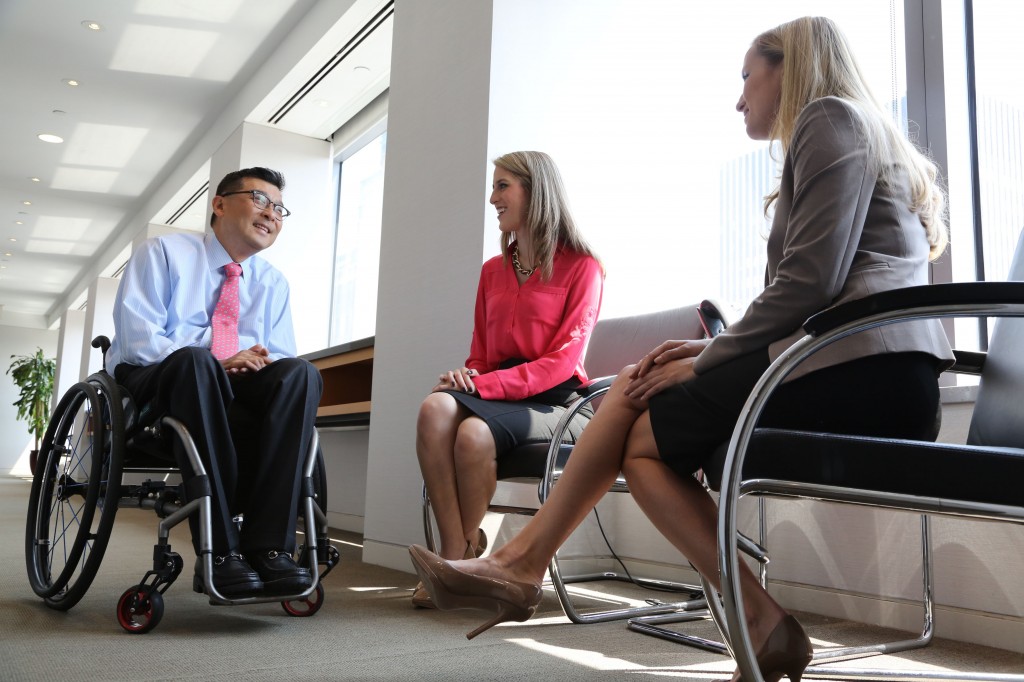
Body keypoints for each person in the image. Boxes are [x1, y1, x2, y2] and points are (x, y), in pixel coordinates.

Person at [409, 16, 954, 681]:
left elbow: (810, 282)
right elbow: (810, 284)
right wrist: (706, 356)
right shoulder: (849, 131)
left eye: (747, 77)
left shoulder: (830, 118)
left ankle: (520, 566)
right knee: (641, 443)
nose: (740, 98)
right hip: (854, 363)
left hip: (862, 368)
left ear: (789, 67)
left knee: (634, 387)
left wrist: (705, 357)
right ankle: (759, 621)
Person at [107, 167, 322, 598]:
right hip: (159, 380)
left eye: (279, 208)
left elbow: (278, 351)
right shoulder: (163, 252)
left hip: (233, 389)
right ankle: (220, 551)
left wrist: (251, 365)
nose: (271, 214)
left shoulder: (272, 283)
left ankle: (270, 548)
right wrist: (218, 355)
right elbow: (139, 338)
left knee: (300, 374)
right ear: (219, 203)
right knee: (195, 363)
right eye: (260, 200)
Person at [412, 151, 604, 608]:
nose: (492, 197)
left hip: (560, 403)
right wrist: (469, 375)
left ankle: (457, 567)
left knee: (474, 436)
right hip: (499, 393)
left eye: (503, 186)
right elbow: (481, 354)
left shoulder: (583, 267)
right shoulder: (491, 272)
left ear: (535, 191)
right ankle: (456, 554)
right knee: (434, 407)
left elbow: (561, 362)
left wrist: (482, 387)